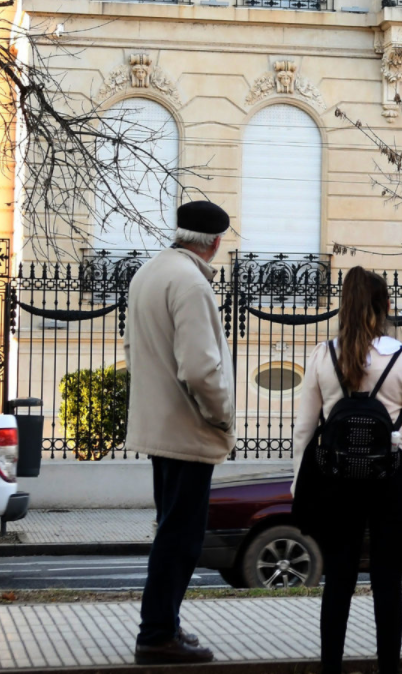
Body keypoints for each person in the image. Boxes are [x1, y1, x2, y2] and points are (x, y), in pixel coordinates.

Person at [290, 266, 402, 674]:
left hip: (337, 481)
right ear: (386, 306)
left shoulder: (322, 355)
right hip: (393, 478)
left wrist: (299, 486)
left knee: (338, 578)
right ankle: (388, 668)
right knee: (388, 580)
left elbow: (304, 431)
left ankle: (331, 667)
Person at [125, 201, 236, 665]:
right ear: (213, 243)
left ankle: (165, 625)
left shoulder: (149, 273)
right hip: (187, 431)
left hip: (159, 428)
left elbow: (133, 348)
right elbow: (198, 367)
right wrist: (222, 416)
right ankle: (156, 635)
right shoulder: (191, 282)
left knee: (169, 532)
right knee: (181, 539)